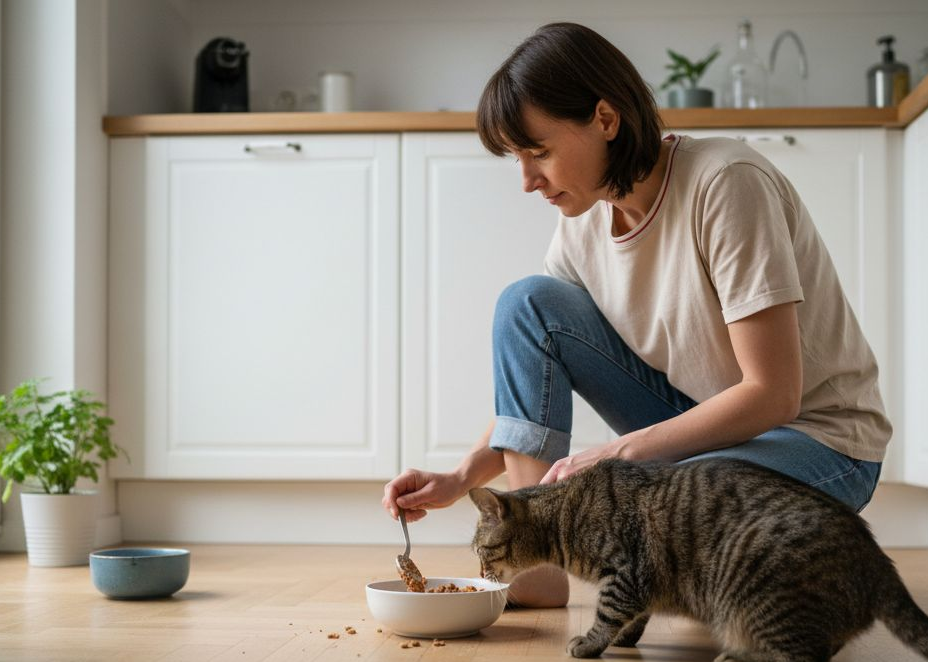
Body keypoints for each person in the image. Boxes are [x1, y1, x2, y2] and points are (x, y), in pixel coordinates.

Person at [381, 22, 892, 608]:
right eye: (517, 159)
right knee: (528, 304)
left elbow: (774, 395)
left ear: (605, 119)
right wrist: (461, 477)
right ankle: (532, 564)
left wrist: (619, 451)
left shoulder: (724, 183)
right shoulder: (580, 226)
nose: (527, 181)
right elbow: (536, 376)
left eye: (539, 152)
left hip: (818, 440)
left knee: (657, 500)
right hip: (705, 420)